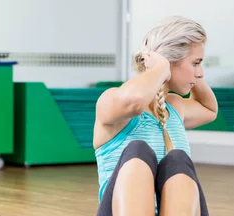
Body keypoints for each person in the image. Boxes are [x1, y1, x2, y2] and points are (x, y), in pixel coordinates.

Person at [93, 16, 218, 216]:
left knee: (177, 160)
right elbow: (133, 102)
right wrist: (161, 67)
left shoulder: (176, 107)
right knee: (138, 150)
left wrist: (192, 74)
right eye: (196, 63)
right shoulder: (111, 102)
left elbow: (209, 109)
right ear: (169, 62)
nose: (201, 72)